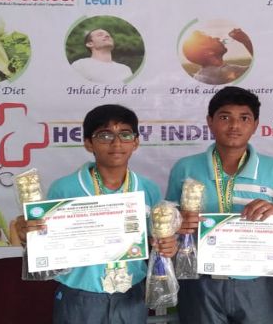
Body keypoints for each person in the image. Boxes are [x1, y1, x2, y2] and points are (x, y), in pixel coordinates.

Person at [16, 104, 177, 324]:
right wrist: (30, 236)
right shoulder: (64, 189)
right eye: (105, 135)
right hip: (80, 296)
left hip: (131, 294)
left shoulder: (148, 189)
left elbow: (155, 243)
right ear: (88, 143)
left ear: (136, 142)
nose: (116, 143)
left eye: (125, 134)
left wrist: (167, 246)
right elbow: (48, 246)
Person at [166, 86, 273, 324]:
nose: (234, 126)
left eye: (244, 118)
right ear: (210, 122)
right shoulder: (185, 168)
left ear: (255, 125)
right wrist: (178, 222)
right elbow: (168, 219)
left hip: (258, 280)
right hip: (200, 279)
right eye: (225, 117)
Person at [181, 29, 252, 85]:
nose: (217, 38)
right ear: (209, 52)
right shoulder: (223, 72)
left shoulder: (199, 76)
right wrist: (246, 41)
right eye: (211, 39)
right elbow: (256, 70)